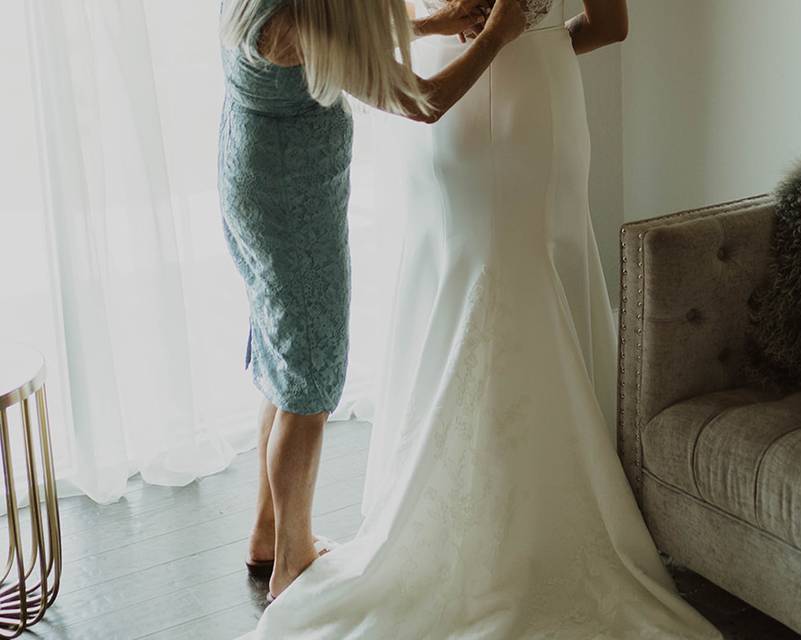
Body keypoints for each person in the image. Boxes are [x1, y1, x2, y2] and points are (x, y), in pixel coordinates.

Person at [239, 0, 723, 638]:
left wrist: (472, 36)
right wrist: (533, 43)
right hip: (503, 101)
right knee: (517, 268)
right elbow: (610, 25)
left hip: (447, 100)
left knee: (461, 271)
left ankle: (421, 512)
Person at [217, 0, 528, 601]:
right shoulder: (298, 23)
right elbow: (423, 102)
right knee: (308, 387)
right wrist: (494, 36)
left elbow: (346, 38)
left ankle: (265, 533)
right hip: (291, 208)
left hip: (256, 179)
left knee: (285, 368)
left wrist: (437, 23)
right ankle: (293, 562)